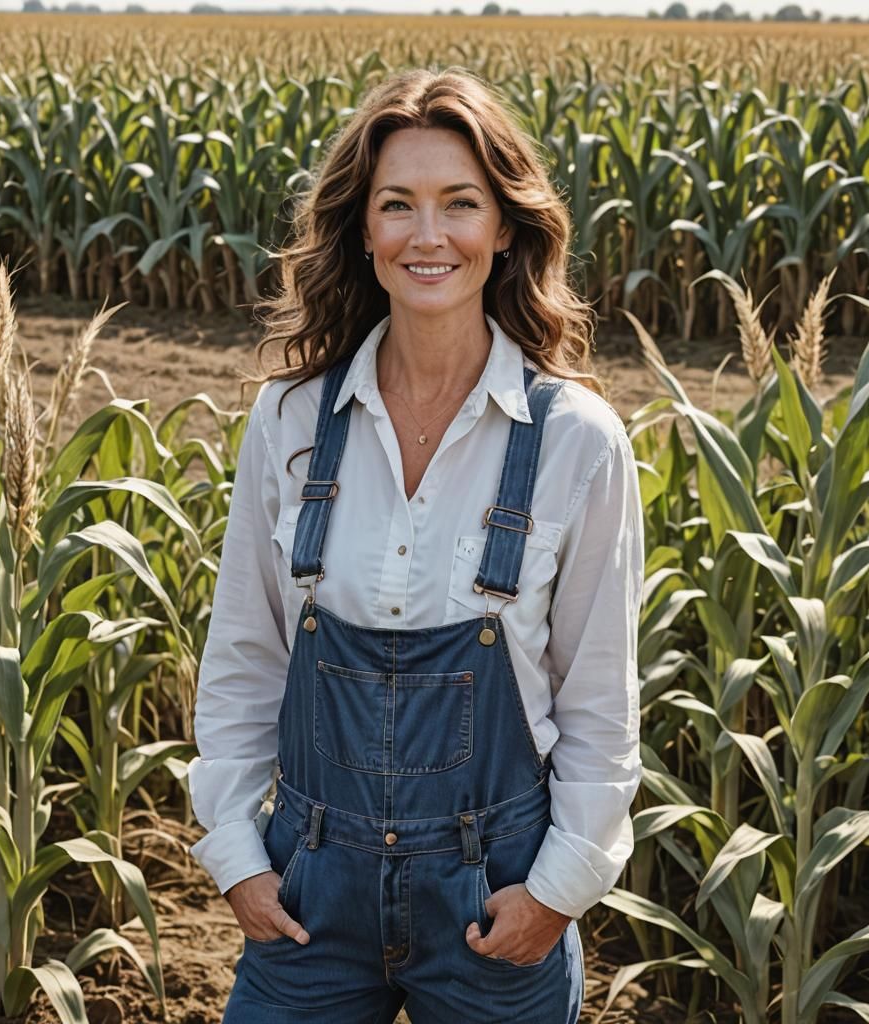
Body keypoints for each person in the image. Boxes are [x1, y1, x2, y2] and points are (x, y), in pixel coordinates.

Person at [186, 67, 644, 1024]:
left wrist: (557, 891)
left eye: (460, 204)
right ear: (363, 228)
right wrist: (235, 859)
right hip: (308, 900)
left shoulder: (577, 440)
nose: (428, 236)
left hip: (496, 902)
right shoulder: (293, 421)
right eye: (398, 205)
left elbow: (600, 704)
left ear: (506, 228)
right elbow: (244, 659)